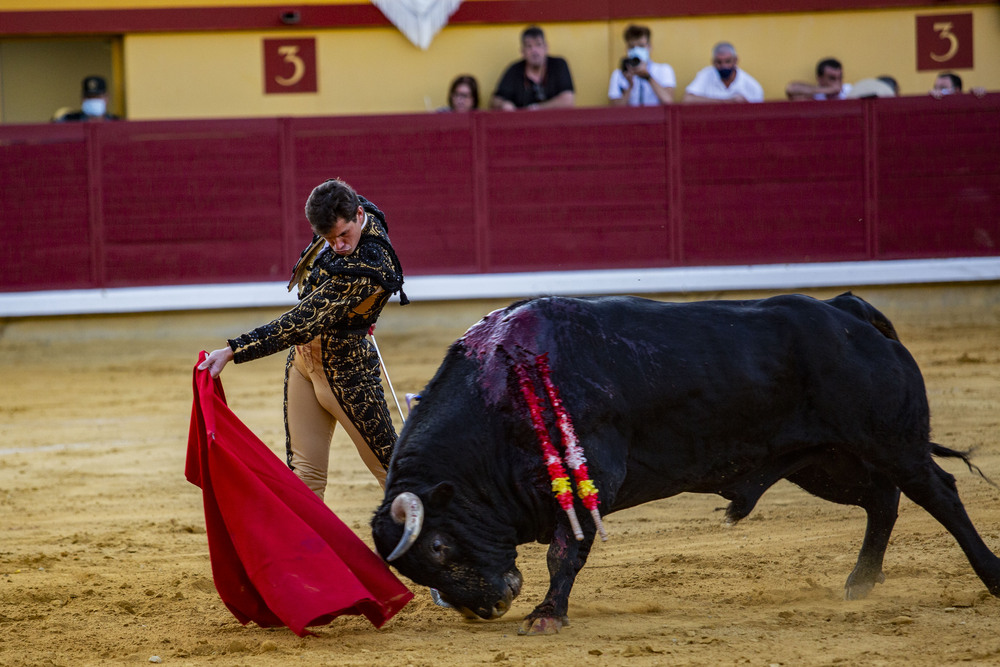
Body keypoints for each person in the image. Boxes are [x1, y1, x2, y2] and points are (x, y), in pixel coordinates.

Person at [198, 178, 408, 498]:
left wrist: (234, 349)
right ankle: (305, 550)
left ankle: (445, 545)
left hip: (347, 375)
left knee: (395, 475)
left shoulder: (368, 264)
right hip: (303, 363)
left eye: (343, 235)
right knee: (303, 478)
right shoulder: (347, 208)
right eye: (328, 238)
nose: (338, 245)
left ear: (359, 215)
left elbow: (302, 321)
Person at [490, 25, 574, 111]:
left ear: (546, 48)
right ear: (522, 52)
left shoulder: (558, 65)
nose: (534, 51)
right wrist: (504, 104)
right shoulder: (514, 70)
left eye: (538, 45)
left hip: (555, 122)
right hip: (522, 123)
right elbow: (495, 100)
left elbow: (568, 101)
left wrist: (537, 108)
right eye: (529, 46)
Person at [608, 24, 676, 106]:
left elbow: (668, 102)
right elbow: (615, 110)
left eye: (641, 46)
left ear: (649, 47)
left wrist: (648, 77)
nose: (636, 50)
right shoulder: (619, 74)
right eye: (632, 47)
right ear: (627, 49)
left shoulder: (663, 70)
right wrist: (630, 86)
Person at [682, 42, 764, 104]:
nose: (724, 66)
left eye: (728, 61)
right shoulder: (705, 75)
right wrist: (726, 101)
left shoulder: (752, 86)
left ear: (735, 60)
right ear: (713, 62)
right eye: (719, 62)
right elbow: (687, 99)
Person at [53, 75, 119, 122]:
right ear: (82, 99)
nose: (93, 100)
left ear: (107, 98)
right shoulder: (68, 120)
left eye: (97, 97)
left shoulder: (117, 122)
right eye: (89, 97)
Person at [785, 58, 853, 101]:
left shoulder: (849, 90)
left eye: (840, 77)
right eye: (832, 78)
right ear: (820, 79)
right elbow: (791, 88)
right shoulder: (816, 95)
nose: (837, 82)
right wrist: (828, 90)